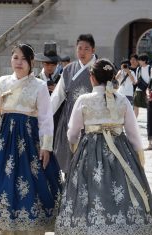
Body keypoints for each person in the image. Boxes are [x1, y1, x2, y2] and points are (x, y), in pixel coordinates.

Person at [55, 59, 152, 235]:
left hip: (89, 150)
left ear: (91, 78)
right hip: (120, 150)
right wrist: (137, 156)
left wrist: (75, 146)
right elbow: (134, 133)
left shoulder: (84, 100)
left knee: (88, 193)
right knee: (119, 191)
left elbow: (73, 131)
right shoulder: (122, 100)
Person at [0, 43, 62, 235]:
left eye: (23, 58)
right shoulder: (3, 81)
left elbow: (46, 119)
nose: (19, 62)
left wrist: (46, 147)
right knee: (0, 183)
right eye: (15, 57)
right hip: (3, 139)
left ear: (31, 62)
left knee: (28, 184)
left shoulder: (39, 86)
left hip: (29, 140)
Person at [51, 34, 96, 173]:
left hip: (92, 120)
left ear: (93, 50)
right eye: (79, 48)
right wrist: (44, 116)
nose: (82, 52)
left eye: (86, 49)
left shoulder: (99, 68)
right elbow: (57, 96)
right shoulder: (68, 70)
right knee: (67, 158)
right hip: (69, 118)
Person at [133, 54, 152, 118]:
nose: (139, 62)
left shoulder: (150, 68)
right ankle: (135, 119)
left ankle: (149, 119)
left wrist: (149, 89)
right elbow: (136, 79)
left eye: (140, 60)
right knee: (135, 105)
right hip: (139, 89)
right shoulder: (138, 68)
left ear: (144, 61)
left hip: (147, 90)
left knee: (148, 106)